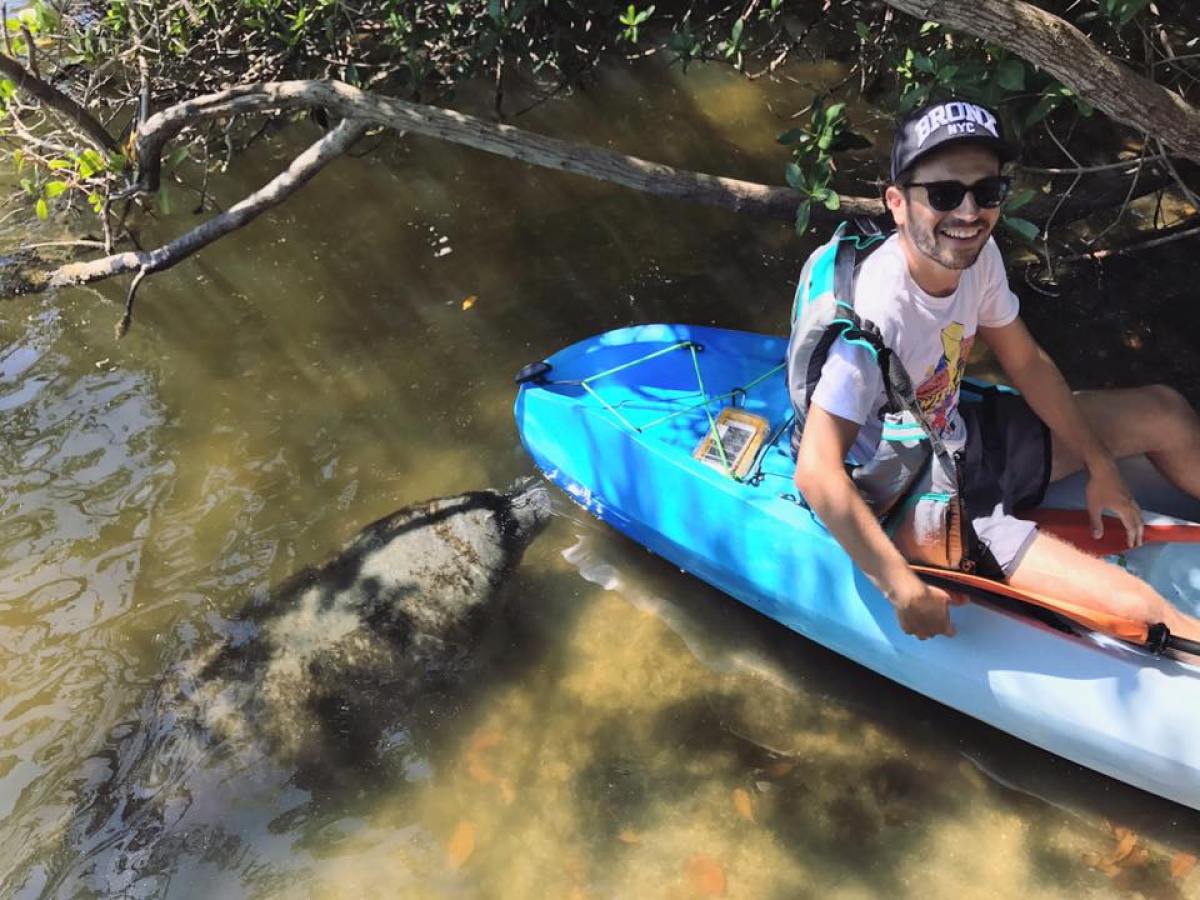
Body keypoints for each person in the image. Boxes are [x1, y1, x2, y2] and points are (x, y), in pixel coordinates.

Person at [790, 97, 1200, 643]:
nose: (968, 212)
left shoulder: (978, 258)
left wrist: (1102, 466)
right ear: (896, 203)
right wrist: (901, 589)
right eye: (943, 194)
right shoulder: (874, 323)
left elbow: (1027, 363)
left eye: (987, 192)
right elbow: (817, 472)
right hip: (908, 493)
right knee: (1143, 612)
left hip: (959, 442)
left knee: (1166, 412)